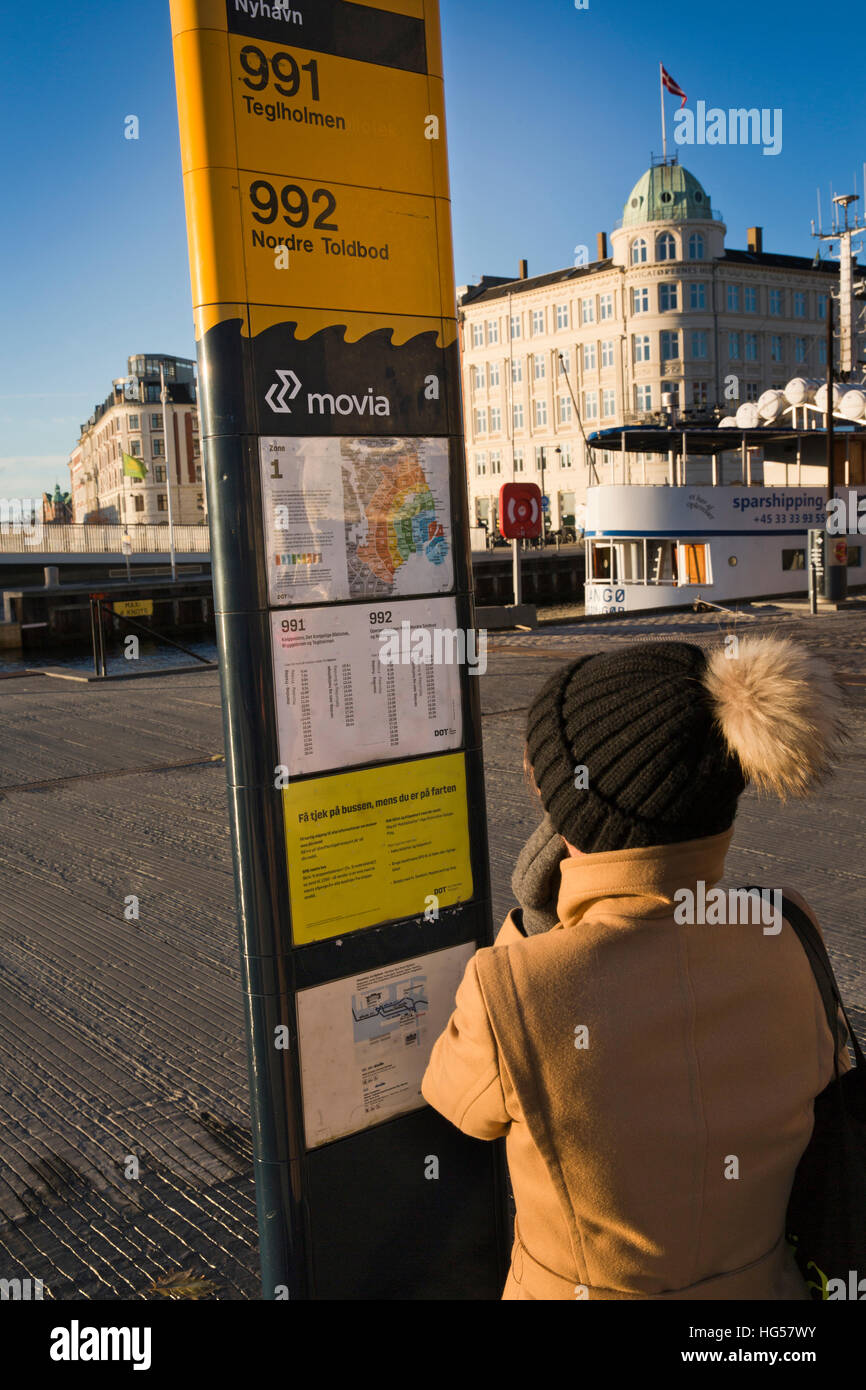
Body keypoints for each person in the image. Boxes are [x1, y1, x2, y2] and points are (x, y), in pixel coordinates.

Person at [421, 636, 851, 1300]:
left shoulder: (512, 985)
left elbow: (457, 1103)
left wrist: (535, 923)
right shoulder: (788, 928)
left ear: (566, 824)